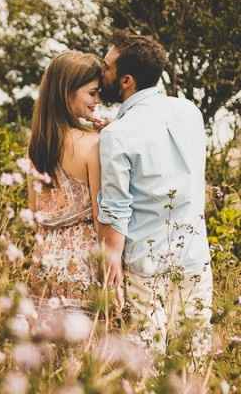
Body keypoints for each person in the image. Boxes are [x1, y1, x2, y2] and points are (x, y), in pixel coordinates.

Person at [97, 30, 212, 369]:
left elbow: (116, 209)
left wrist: (110, 265)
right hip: (194, 260)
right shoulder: (189, 112)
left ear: (127, 80)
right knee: (192, 364)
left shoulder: (116, 135)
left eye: (107, 68)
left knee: (145, 369)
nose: (102, 74)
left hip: (145, 268)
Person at [27, 51, 104, 311]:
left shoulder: (37, 146)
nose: (97, 101)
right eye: (92, 93)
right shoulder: (92, 145)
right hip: (82, 268)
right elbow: (102, 216)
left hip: (42, 265)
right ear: (67, 91)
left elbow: (33, 213)